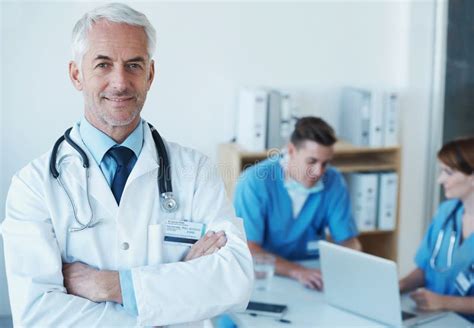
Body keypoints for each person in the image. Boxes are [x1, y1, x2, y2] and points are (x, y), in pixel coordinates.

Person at [1, 3, 253, 327]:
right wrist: (175, 293)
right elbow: (38, 316)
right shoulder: (33, 186)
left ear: (150, 74)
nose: (120, 82)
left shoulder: (196, 171)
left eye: (133, 65)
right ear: (76, 74)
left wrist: (113, 285)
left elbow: (235, 278)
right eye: (103, 65)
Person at [234, 116, 361, 290]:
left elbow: (347, 240)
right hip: (264, 278)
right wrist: (297, 271)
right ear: (291, 150)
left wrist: (355, 262)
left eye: (325, 163)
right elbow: (249, 248)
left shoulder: (334, 182)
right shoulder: (255, 182)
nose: (319, 171)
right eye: (312, 161)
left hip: (312, 277)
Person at [399, 137, 474, 323]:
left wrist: (444, 302)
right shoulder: (446, 212)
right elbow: (426, 269)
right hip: (432, 315)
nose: (441, 180)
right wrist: (399, 285)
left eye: (448, 172)